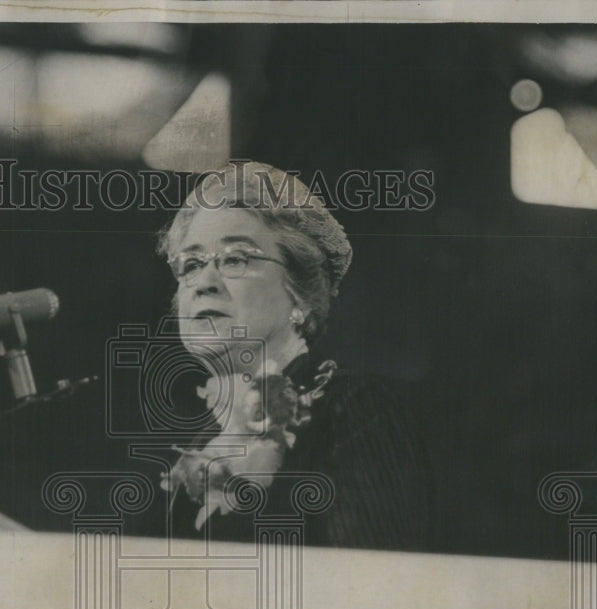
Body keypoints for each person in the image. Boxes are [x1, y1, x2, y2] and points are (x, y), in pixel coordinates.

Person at [155, 161, 431, 550]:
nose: (203, 283)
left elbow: (370, 594)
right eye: (192, 264)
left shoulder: (356, 411)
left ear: (298, 294)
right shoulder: (201, 444)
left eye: (235, 259)